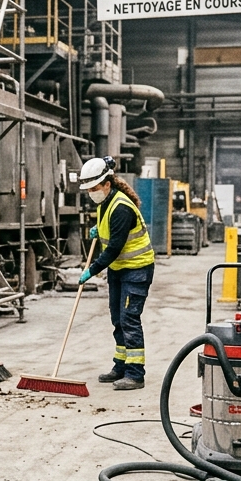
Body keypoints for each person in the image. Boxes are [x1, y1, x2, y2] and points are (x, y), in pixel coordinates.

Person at [77, 156, 155, 391]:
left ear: (107, 184)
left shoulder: (121, 207)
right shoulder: (105, 203)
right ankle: (120, 365)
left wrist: (91, 270)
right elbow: (108, 233)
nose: (92, 193)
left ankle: (135, 374)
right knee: (117, 319)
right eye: (89, 189)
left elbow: (113, 248)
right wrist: (98, 228)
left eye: (95, 188)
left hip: (136, 269)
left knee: (129, 319)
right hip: (119, 270)